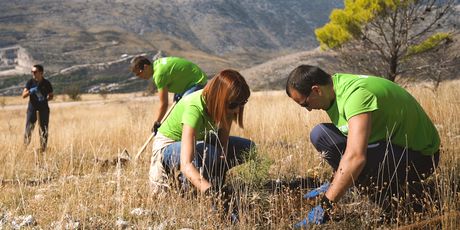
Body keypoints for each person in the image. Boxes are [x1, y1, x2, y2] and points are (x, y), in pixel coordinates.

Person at [285, 65, 440, 227]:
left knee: (357, 168)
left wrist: (326, 205)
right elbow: (350, 141)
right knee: (321, 134)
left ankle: (406, 207)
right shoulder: (333, 89)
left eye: (305, 104)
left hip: (421, 157)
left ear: (316, 90)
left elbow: (355, 158)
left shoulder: (355, 97)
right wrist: (336, 180)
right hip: (388, 146)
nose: (308, 110)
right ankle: (358, 185)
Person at [149, 69, 254, 217]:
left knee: (248, 148)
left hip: (199, 140)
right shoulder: (194, 108)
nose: (237, 109)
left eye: (242, 103)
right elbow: (187, 164)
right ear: (219, 98)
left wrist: (220, 160)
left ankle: (212, 180)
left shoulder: (228, 106)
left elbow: (222, 143)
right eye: (233, 104)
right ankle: (191, 192)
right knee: (207, 152)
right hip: (168, 146)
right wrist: (212, 193)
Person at [130, 56, 208, 133]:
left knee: (186, 112)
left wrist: (157, 122)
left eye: (138, 73)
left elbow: (164, 104)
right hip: (187, 84)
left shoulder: (159, 74)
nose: (139, 77)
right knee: (177, 112)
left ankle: (202, 134)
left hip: (196, 81)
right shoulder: (157, 64)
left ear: (145, 67)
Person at [22, 64, 54, 152]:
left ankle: (43, 149)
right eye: (32, 71)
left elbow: (51, 96)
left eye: (35, 72)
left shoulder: (47, 83)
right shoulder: (30, 82)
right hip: (32, 110)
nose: (33, 73)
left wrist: (45, 99)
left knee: (43, 130)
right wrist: (30, 91)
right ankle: (25, 149)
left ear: (41, 72)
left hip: (43, 110)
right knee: (29, 129)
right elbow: (23, 95)